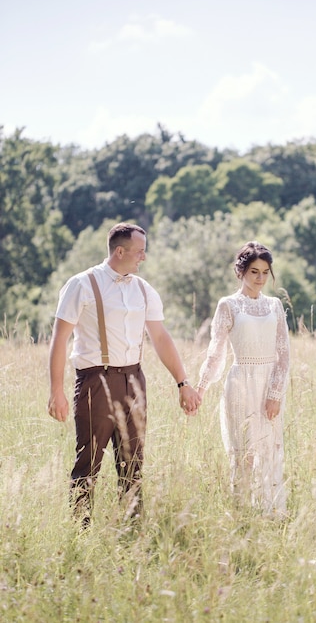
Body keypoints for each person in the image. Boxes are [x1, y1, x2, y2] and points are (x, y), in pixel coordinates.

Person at [48, 222, 201, 526]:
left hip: (134, 380)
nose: (143, 257)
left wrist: (183, 382)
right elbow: (60, 338)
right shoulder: (82, 284)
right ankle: (80, 532)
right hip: (94, 381)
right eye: (139, 251)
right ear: (120, 251)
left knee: (132, 462)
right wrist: (56, 391)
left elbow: (160, 338)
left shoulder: (144, 290)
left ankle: (131, 530)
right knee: (88, 462)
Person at [197, 241, 290, 517]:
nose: (260, 279)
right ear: (241, 272)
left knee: (269, 450)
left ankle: (271, 512)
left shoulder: (274, 305)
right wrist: (200, 388)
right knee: (244, 455)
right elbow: (216, 351)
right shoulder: (228, 305)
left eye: (265, 272)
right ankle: (242, 514)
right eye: (254, 272)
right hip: (239, 384)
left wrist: (275, 394)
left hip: (268, 383)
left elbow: (284, 354)